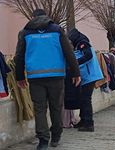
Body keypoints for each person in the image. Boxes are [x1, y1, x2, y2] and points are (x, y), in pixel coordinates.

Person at [15, 9, 81, 150]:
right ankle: (56, 136)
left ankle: (43, 140)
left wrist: (19, 76)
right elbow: (69, 52)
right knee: (56, 107)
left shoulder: (25, 32)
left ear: (33, 17)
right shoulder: (57, 30)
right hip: (56, 77)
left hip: (35, 77)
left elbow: (19, 56)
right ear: (46, 17)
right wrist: (76, 73)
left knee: (39, 109)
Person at [67, 28, 104, 132]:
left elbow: (88, 56)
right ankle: (83, 121)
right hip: (87, 76)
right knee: (83, 99)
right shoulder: (79, 44)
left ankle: (88, 124)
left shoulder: (83, 43)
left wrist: (75, 64)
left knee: (86, 100)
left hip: (89, 76)